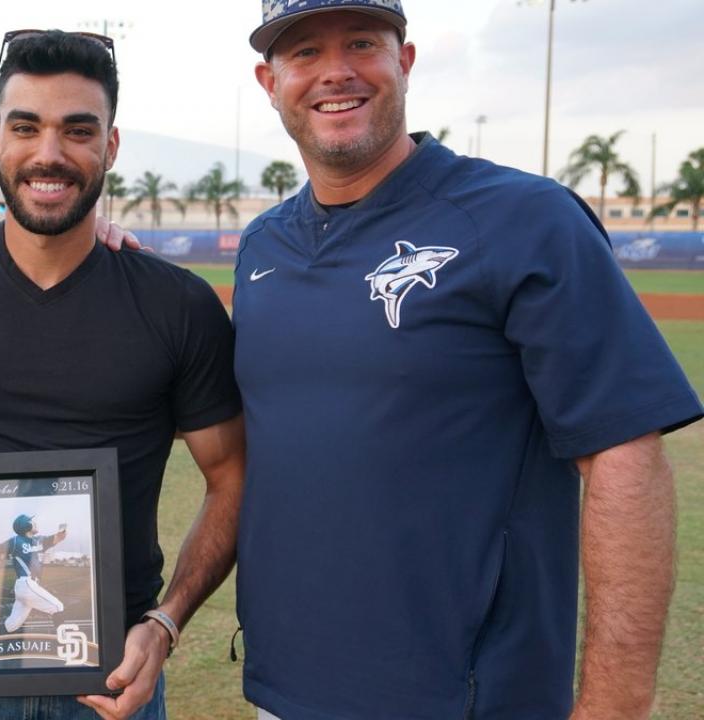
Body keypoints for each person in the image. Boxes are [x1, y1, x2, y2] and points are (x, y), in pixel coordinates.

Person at [233, 1, 704, 718]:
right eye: (304, 53)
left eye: (361, 43)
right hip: (284, 688)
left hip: (466, 697)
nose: (335, 72)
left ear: (404, 62)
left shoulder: (524, 219)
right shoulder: (263, 244)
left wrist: (614, 705)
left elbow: (624, 457)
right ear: (270, 82)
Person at [0, 30, 247, 720]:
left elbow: (231, 475)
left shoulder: (177, 305)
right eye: (26, 127)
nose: (49, 153)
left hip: (115, 678)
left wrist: (167, 621)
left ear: (111, 147)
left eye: (78, 130)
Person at [1, 515, 68, 635]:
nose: (35, 523)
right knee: (58, 607)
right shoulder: (15, 541)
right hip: (26, 584)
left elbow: (58, 538)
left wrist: (62, 532)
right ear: (26, 525)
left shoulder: (38, 540)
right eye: (31, 521)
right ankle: (64, 639)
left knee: (11, 625)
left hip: (27, 587)